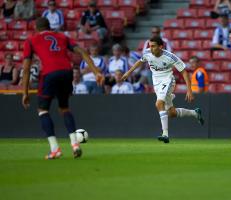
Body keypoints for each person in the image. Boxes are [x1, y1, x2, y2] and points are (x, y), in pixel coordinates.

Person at [22, 17, 103, 159]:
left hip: (49, 73)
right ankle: (75, 144)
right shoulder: (62, 37)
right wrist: (96, 72)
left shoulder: (31, 40)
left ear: (36, 28)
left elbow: (26, 67)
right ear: (50, 27)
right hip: (67, 72)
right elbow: (82, 51)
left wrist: (25, 92)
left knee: (42, 110)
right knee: (64, 108)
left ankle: (55, 149)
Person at [122, 36, 204, 143]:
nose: (151, 48)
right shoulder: (147, 53)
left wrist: (189, 90)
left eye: (153, 46)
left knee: (159, 103)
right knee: (172, 113)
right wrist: (129, 72)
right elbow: (140, 61)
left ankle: (165, 134)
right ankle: (195, 113)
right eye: (149, 46)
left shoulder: (170, 57)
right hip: (156, 82)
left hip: (168, 80)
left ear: (161, 46)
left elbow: (184, 71)